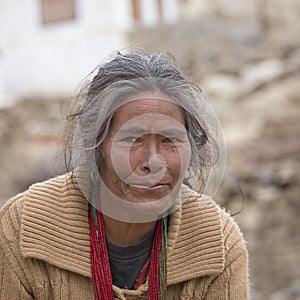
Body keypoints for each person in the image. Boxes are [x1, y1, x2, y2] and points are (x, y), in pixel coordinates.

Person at [0, 52, 250, 299]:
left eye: (170, 140)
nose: (154, 162)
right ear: (97, 145)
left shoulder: (218, 244)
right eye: (132, 139)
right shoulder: (23, 229)